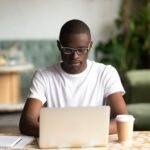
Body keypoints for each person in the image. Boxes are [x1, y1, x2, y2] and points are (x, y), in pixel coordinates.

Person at [19, 19, 128, 137]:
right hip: (57, 142)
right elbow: (26, 122)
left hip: (92, 140)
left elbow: (123, 119)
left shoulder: (106, 73)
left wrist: (83, 132)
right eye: (68, 50)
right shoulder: (43, 76)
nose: (74, 56)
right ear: (59, 46)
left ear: (90, 46)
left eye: (81, 50)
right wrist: (64, 134)